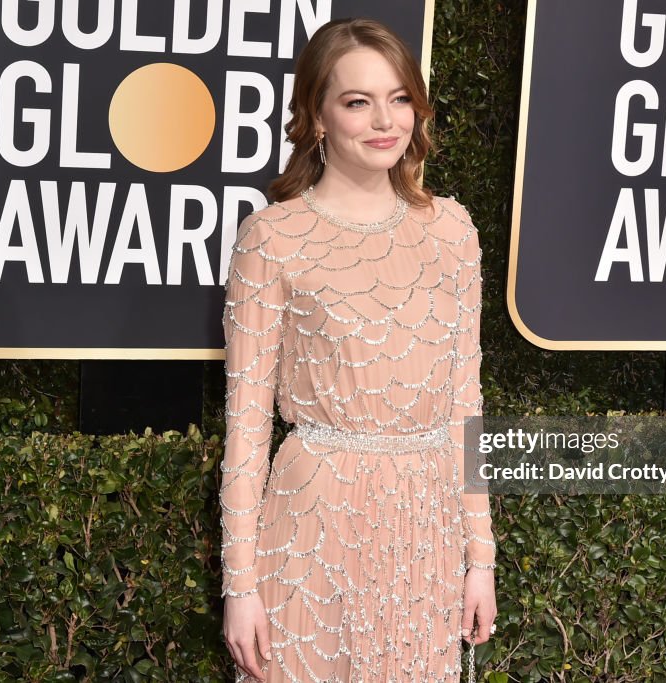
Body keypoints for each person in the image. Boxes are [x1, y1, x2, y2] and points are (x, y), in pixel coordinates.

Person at [219, 17, 497, 682]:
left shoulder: (452, 230)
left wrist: (479, 558)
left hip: (423, 530)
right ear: (317, 117)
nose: (385, 120)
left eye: (399, 98)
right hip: (312, 526)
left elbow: (466, 405)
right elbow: (246, 428)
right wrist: (241, 585)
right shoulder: (271, 238)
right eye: (357, 101)